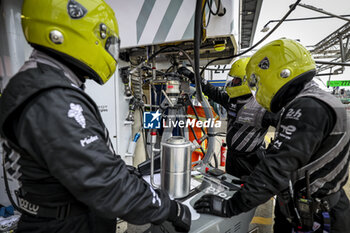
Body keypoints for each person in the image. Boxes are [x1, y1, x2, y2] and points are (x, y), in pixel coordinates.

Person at [0, 0, 190, 232]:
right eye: (106, 40)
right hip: (67, 225)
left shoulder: (41, 84)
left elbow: (90, 164)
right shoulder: (51, 98)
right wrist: (170, 208)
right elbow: (108, 185)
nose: (108, 50)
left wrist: (131, 175)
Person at [193, 39, 350, 233]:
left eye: (258, 80)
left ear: (279, 73)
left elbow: (277, 167)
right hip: (298, 206)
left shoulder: (309, 107)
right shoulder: (309, 102)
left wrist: (231, 206)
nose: (258, 88)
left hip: (316, 215)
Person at [178, 58, 278, 178]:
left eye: (236, 80)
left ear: (248, 81)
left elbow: (287, 127)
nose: (233, 82)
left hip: (252, 161)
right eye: (233, 79)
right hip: (232, 157)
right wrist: (192, 76)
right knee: (230, 187)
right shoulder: (231, 100)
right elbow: (212, 91)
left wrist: (273, 153)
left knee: (249, 193)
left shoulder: (263, 105)